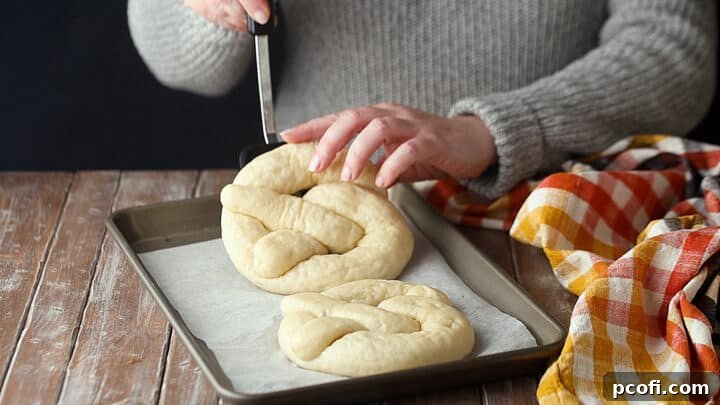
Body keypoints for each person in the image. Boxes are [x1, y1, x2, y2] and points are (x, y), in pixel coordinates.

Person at [128, 0, 717, 199]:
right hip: (316, 199)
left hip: (551, 207)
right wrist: (205, 10)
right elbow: (180, 66)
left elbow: (672, 49)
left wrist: (492, 131)